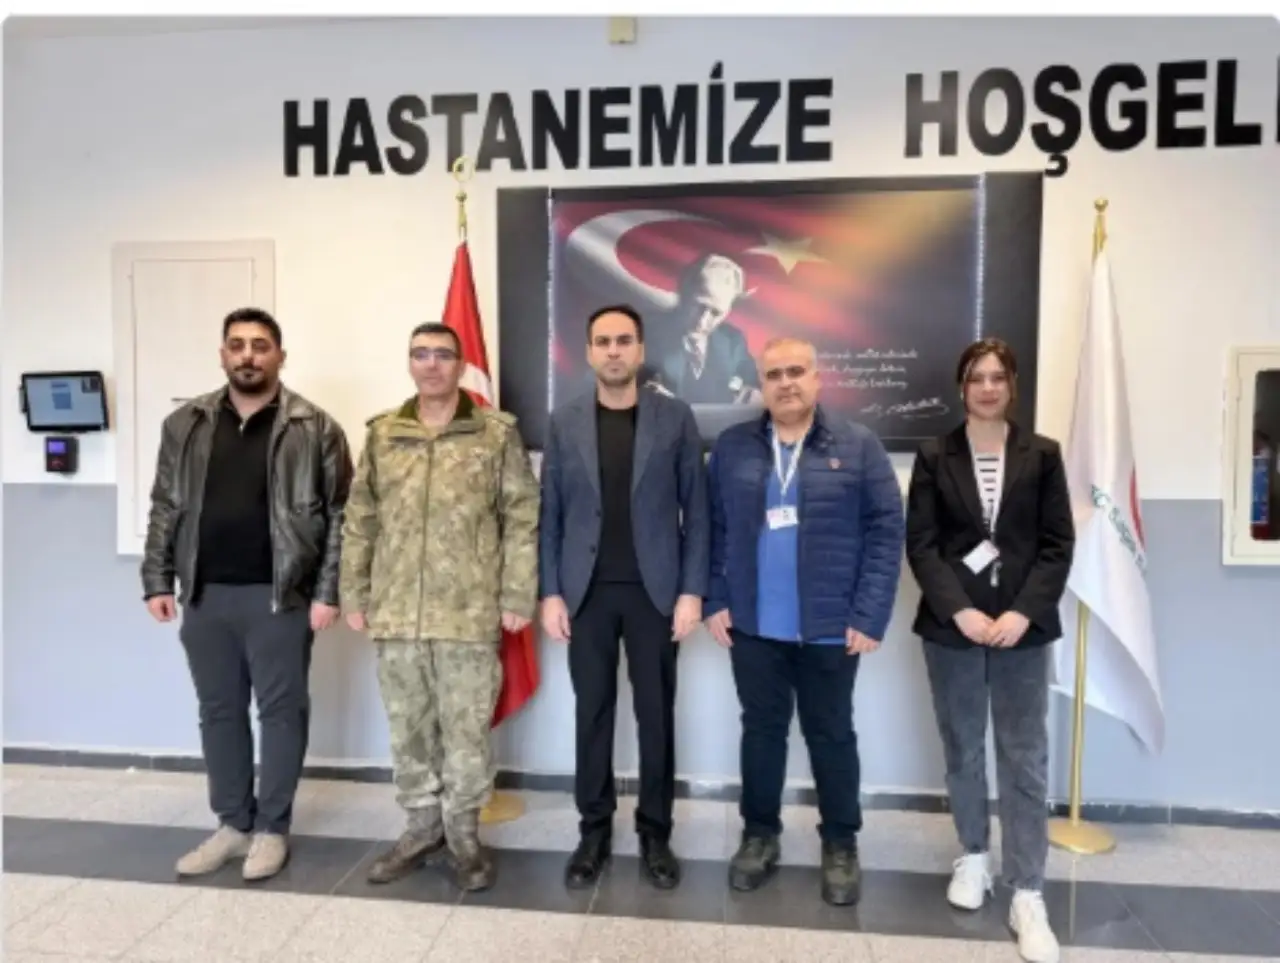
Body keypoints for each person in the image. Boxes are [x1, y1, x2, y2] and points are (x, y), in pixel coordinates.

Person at [140, 307, 353, 882]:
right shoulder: (185, 424)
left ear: (280, 356)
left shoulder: (316, 427)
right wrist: (157, 578)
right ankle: (233, 824)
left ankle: (271, 829)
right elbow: (165, 504)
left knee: (281, 712)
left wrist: (327, 591)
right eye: (237, 345)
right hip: (205, 594)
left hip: (280, 597)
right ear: (222, 354)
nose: (248, 356)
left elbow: (341, 517)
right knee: (218, 711)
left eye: (260, 345)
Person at [339, 322, 539, 893]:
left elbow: (521, 517)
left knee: (466, 731)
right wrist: (354, 592)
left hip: (468, 612)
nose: (431, 364)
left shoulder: (495, 435)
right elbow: (360, 519)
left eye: (443, 355)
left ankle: (464, 836)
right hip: (397, 610)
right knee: (409, 728)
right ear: (410, 363)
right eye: (420, 354)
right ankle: (421, 828)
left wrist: (517, 593)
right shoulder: (384, 434)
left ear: (460, 364)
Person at [704, 336, 904, 906]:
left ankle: (840, 842)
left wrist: (869, 613)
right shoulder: (733, 447)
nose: (786, 383)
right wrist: (716, 600)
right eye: (774, 374)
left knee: (831, 733)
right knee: (761, 732)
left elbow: (887, 531)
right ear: (761, 385)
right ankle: (759, 835)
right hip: (753, 625)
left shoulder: (858, 445)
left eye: (796, 371)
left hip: (830, 627)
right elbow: (713, 529)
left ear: (817, 379)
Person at [904, 337, 1074, 963]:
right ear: (962, 386)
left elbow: (1057, 545)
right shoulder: (933, 455)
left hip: (1022, 630)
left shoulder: (1043, 455)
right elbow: (922, 544)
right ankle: (973, 854)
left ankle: (1027, 889)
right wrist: (963, 611)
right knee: (963, 746)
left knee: (1024, 757)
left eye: (998, 377)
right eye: (977, 377)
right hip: (954, 627)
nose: (987, 387)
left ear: (1012, 385)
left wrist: (1022, 613)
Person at [539, 304, 709, 891]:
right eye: (603, 341)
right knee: (592, 714)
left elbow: (698, 511)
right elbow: (551, 515)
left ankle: (655, 832)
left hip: (655, 595)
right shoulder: (564, 421)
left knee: (655, 716)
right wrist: (550, 592)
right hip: (584, 594)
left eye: (624, 340)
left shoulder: (675, 418)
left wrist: (692, 592)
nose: (613, 350)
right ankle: (593, 831)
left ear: (640, 350)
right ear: (589, 352)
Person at [644, 252, 762, 405]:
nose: (702, 320)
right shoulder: (645, 333)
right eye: (699, 306)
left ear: (728, 311)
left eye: (716, 313)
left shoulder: (733, 341)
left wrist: (755, 392)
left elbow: (755, 381)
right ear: (684, 293)